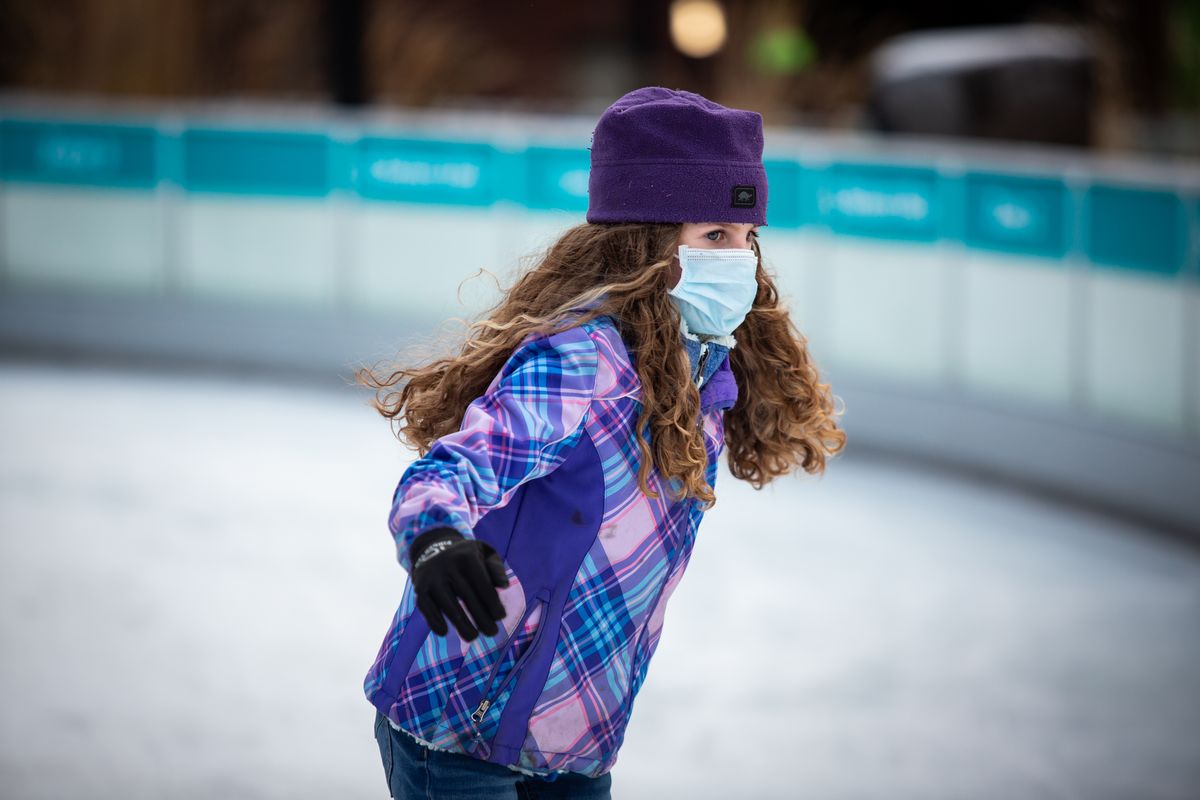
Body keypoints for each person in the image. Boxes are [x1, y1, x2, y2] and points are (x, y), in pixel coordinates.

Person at [358, 86, 846, 799]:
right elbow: (450, 473)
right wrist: (435, 539)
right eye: (715, 236)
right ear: (645, 242)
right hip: (459, 729)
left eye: (747, 238)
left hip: (576, 741)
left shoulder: (705, 378)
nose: (740, 260)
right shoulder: (583, 362)